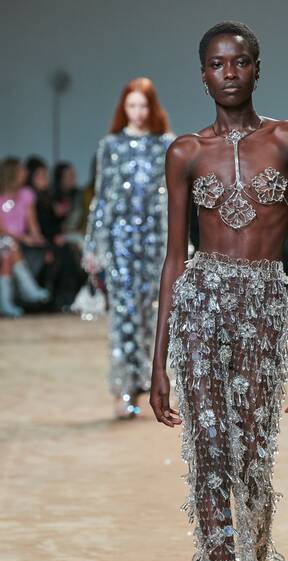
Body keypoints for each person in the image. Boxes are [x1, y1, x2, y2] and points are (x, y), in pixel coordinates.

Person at [150, 21, 288, 561]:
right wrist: (158, 361)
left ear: (256, 68)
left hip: (265, 311)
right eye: (217, 64)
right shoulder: (185, 152)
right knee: (210, 462)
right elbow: (173, 259)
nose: (229, 73)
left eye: (240, 62)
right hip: (200, 310)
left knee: (253, 463)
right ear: (202, 75)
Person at [84, 77, 174, 418]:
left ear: (153, 108)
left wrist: (181, 244)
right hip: (120, 242)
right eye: (131, 105)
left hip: (156, 242)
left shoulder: (166, 144)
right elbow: (102, 196)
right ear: (124, 108)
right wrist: (93, 244)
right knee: (123, 314)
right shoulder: (111, 146)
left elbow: (175, 201)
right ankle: (124, 390)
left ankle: (152, 382)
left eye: (143, 105)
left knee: (154, 314)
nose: (138, 112)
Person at [27, 159, 84, 310]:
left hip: (51, 238)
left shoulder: (47, 196)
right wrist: (53, 237)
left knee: (67, 252)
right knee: (62, 254)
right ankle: (60, 299)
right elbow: (38, 225)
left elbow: (53, 223)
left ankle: (66, 299)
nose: (44, 178)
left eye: (45, 175)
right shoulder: (32, 197)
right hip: (42, 240)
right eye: (40, 175)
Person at [0, 157, 49, 316]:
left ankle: (6, 303)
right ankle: (28, 288)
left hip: (9, 244)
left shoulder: (26, 194)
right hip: (6, 238)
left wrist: (36, 236)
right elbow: (1, 228)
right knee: (8, 243)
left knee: (7, 253)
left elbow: (32, 221)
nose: (25, 173)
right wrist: (22, 238)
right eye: (21, 170)